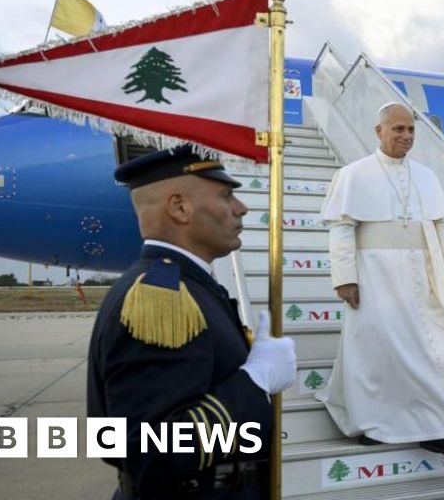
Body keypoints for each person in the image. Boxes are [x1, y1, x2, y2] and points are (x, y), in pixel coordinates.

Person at [87, 145, 297, 499]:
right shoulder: (160, 299)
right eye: (226, 195)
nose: (241, 208)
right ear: (180, 208)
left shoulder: (190, 285)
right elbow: (152, 452)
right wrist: (254, 382)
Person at [316, 102, 444, 463]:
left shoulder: (426, 176)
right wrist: (345, 278)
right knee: (377, 353)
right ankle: (376, 425)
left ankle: (440, 429)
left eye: (411, 130)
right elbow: (343, 229)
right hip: (375, 276)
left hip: (424, 275)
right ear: (379, 131)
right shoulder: (354, 175)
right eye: (398, 129)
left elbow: (441, 227)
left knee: (440, 349)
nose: (406, 136)